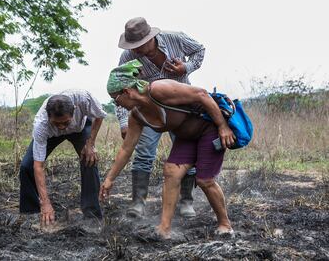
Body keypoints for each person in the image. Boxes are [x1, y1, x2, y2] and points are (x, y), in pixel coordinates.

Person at [100, 60, 235, 239]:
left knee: (204, 180)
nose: (117, 105)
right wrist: (109, 179)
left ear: (127, 91)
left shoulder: (158, 89)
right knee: (171, 172)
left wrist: (222, 126)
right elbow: (126, 148)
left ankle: (225, 224)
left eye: (115, 99)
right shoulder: (136, 116)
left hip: (208, 128)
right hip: (186, 137)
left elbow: (201, 94)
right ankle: (164, 229)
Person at [116, 17, 206, 218]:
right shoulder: (127, 57)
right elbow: (123, 89)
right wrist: (124, 122)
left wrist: (186, 67)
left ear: (152, 37)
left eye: (140, 44)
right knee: (144, 153)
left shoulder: (176, 39)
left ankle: (186, 201)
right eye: (133, 46)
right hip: (148, 110)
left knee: (186, 152)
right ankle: (138, 202)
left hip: (181, 108)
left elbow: (200, 50)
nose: (136, 50)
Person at [19, 90, 107, 226]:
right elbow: (38, 166)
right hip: (51, 135)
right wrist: (46, 202)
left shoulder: (84, 99)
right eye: (56, 123)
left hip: (80, 129)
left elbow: (99, 115)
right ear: (48, 117)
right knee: (27, 166)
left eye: (65, 122)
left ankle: (92, 215)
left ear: (74, 110)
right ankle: (31, 212)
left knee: (89, 159)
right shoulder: (41, 125)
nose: (61, 127)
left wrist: (90, 144)